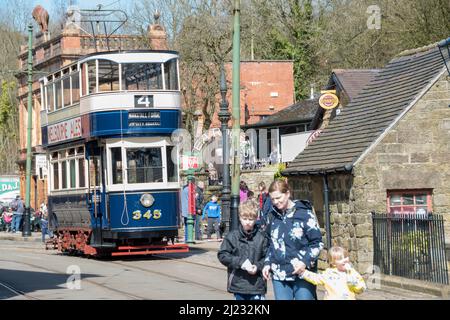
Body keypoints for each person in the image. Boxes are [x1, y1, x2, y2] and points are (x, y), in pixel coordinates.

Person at [262, 179, 324, 300]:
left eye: (279, 198)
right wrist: (267, 263)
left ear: (288, 193)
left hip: (302, 273)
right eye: (273, 199)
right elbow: (269, 243)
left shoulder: (304, 214)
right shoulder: (271, 217)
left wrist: (305, 261)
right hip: (279, 274)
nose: (276, 202)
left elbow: (317, 243)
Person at [218, 200, 269, 300]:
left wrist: (258, 266)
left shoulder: (262, 237)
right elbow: (223, 255)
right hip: (238, 284)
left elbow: (267, 257)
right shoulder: (232, 236)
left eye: (251, 219)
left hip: (257, 285)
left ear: (255, 219)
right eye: (244, 219)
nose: (247, 222)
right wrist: (241, 262)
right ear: (240, 218)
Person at [300, 246, 366, 300]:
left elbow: (361, 288)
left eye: (346, 257)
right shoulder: (328, 274)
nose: (345, 260)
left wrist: (352, 281)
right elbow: (316, 278)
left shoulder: (352, 272)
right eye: (340, 259)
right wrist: (304, 273)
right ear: (333, 263)